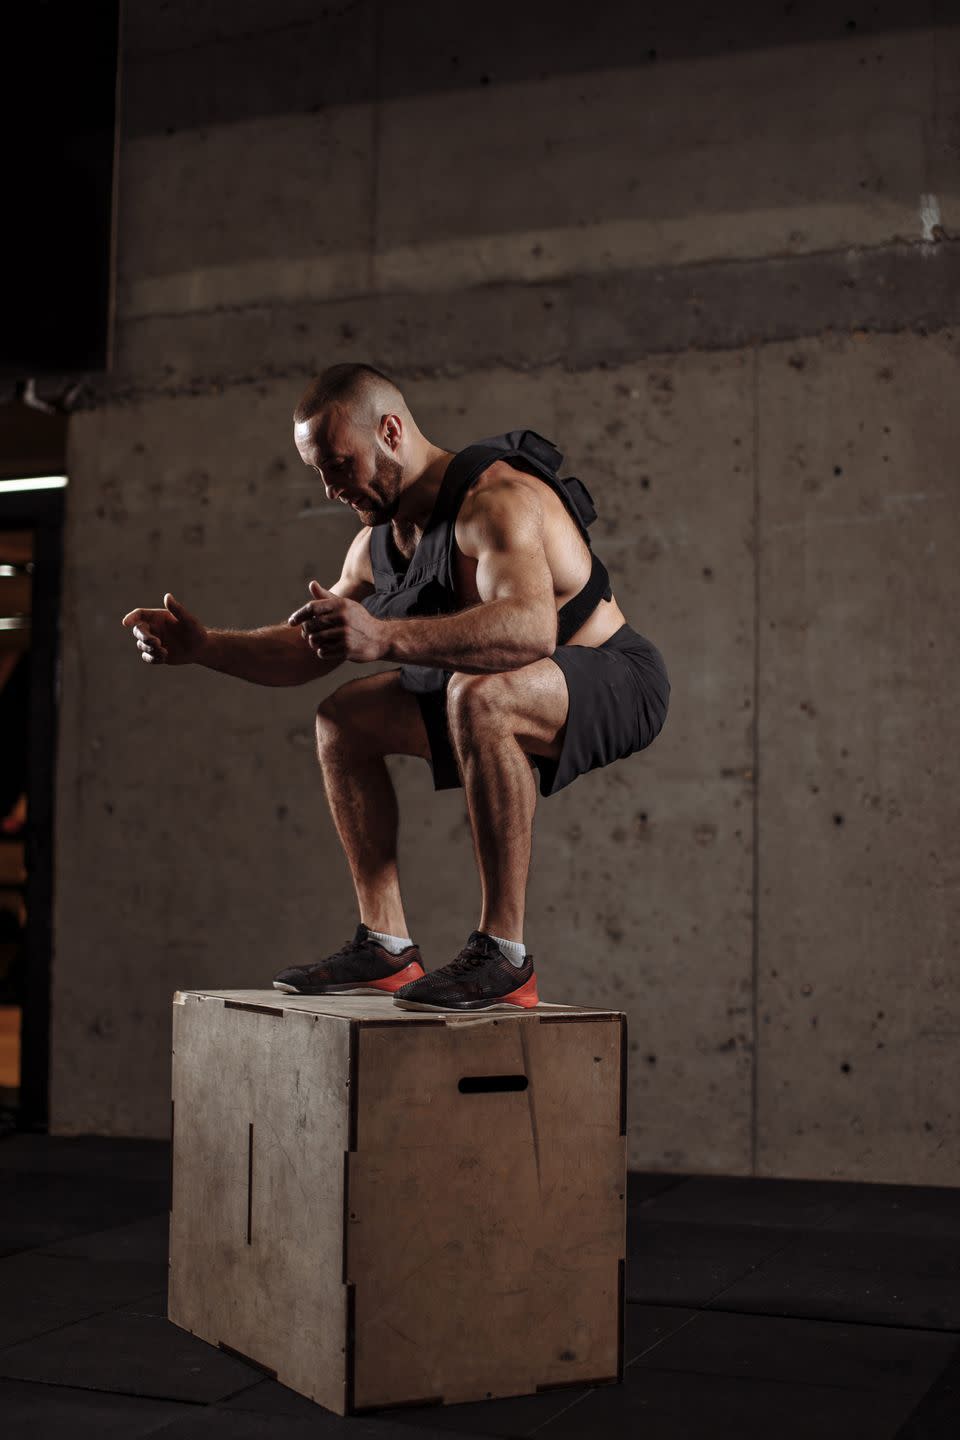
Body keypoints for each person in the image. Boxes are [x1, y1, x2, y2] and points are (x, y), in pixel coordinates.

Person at [121, 364, 670, 1012]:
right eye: (318, 472)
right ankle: (385, 946)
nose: (330, 488)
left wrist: (382, 636)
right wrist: (205, 646)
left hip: (615, 676)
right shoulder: (373, 548)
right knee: (344, 720)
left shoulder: (495, 500)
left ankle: (505, 954)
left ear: (390, 431)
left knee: (479, 697)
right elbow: (305, 651)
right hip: (510, 683)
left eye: (338, 464)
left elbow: (529, 631)